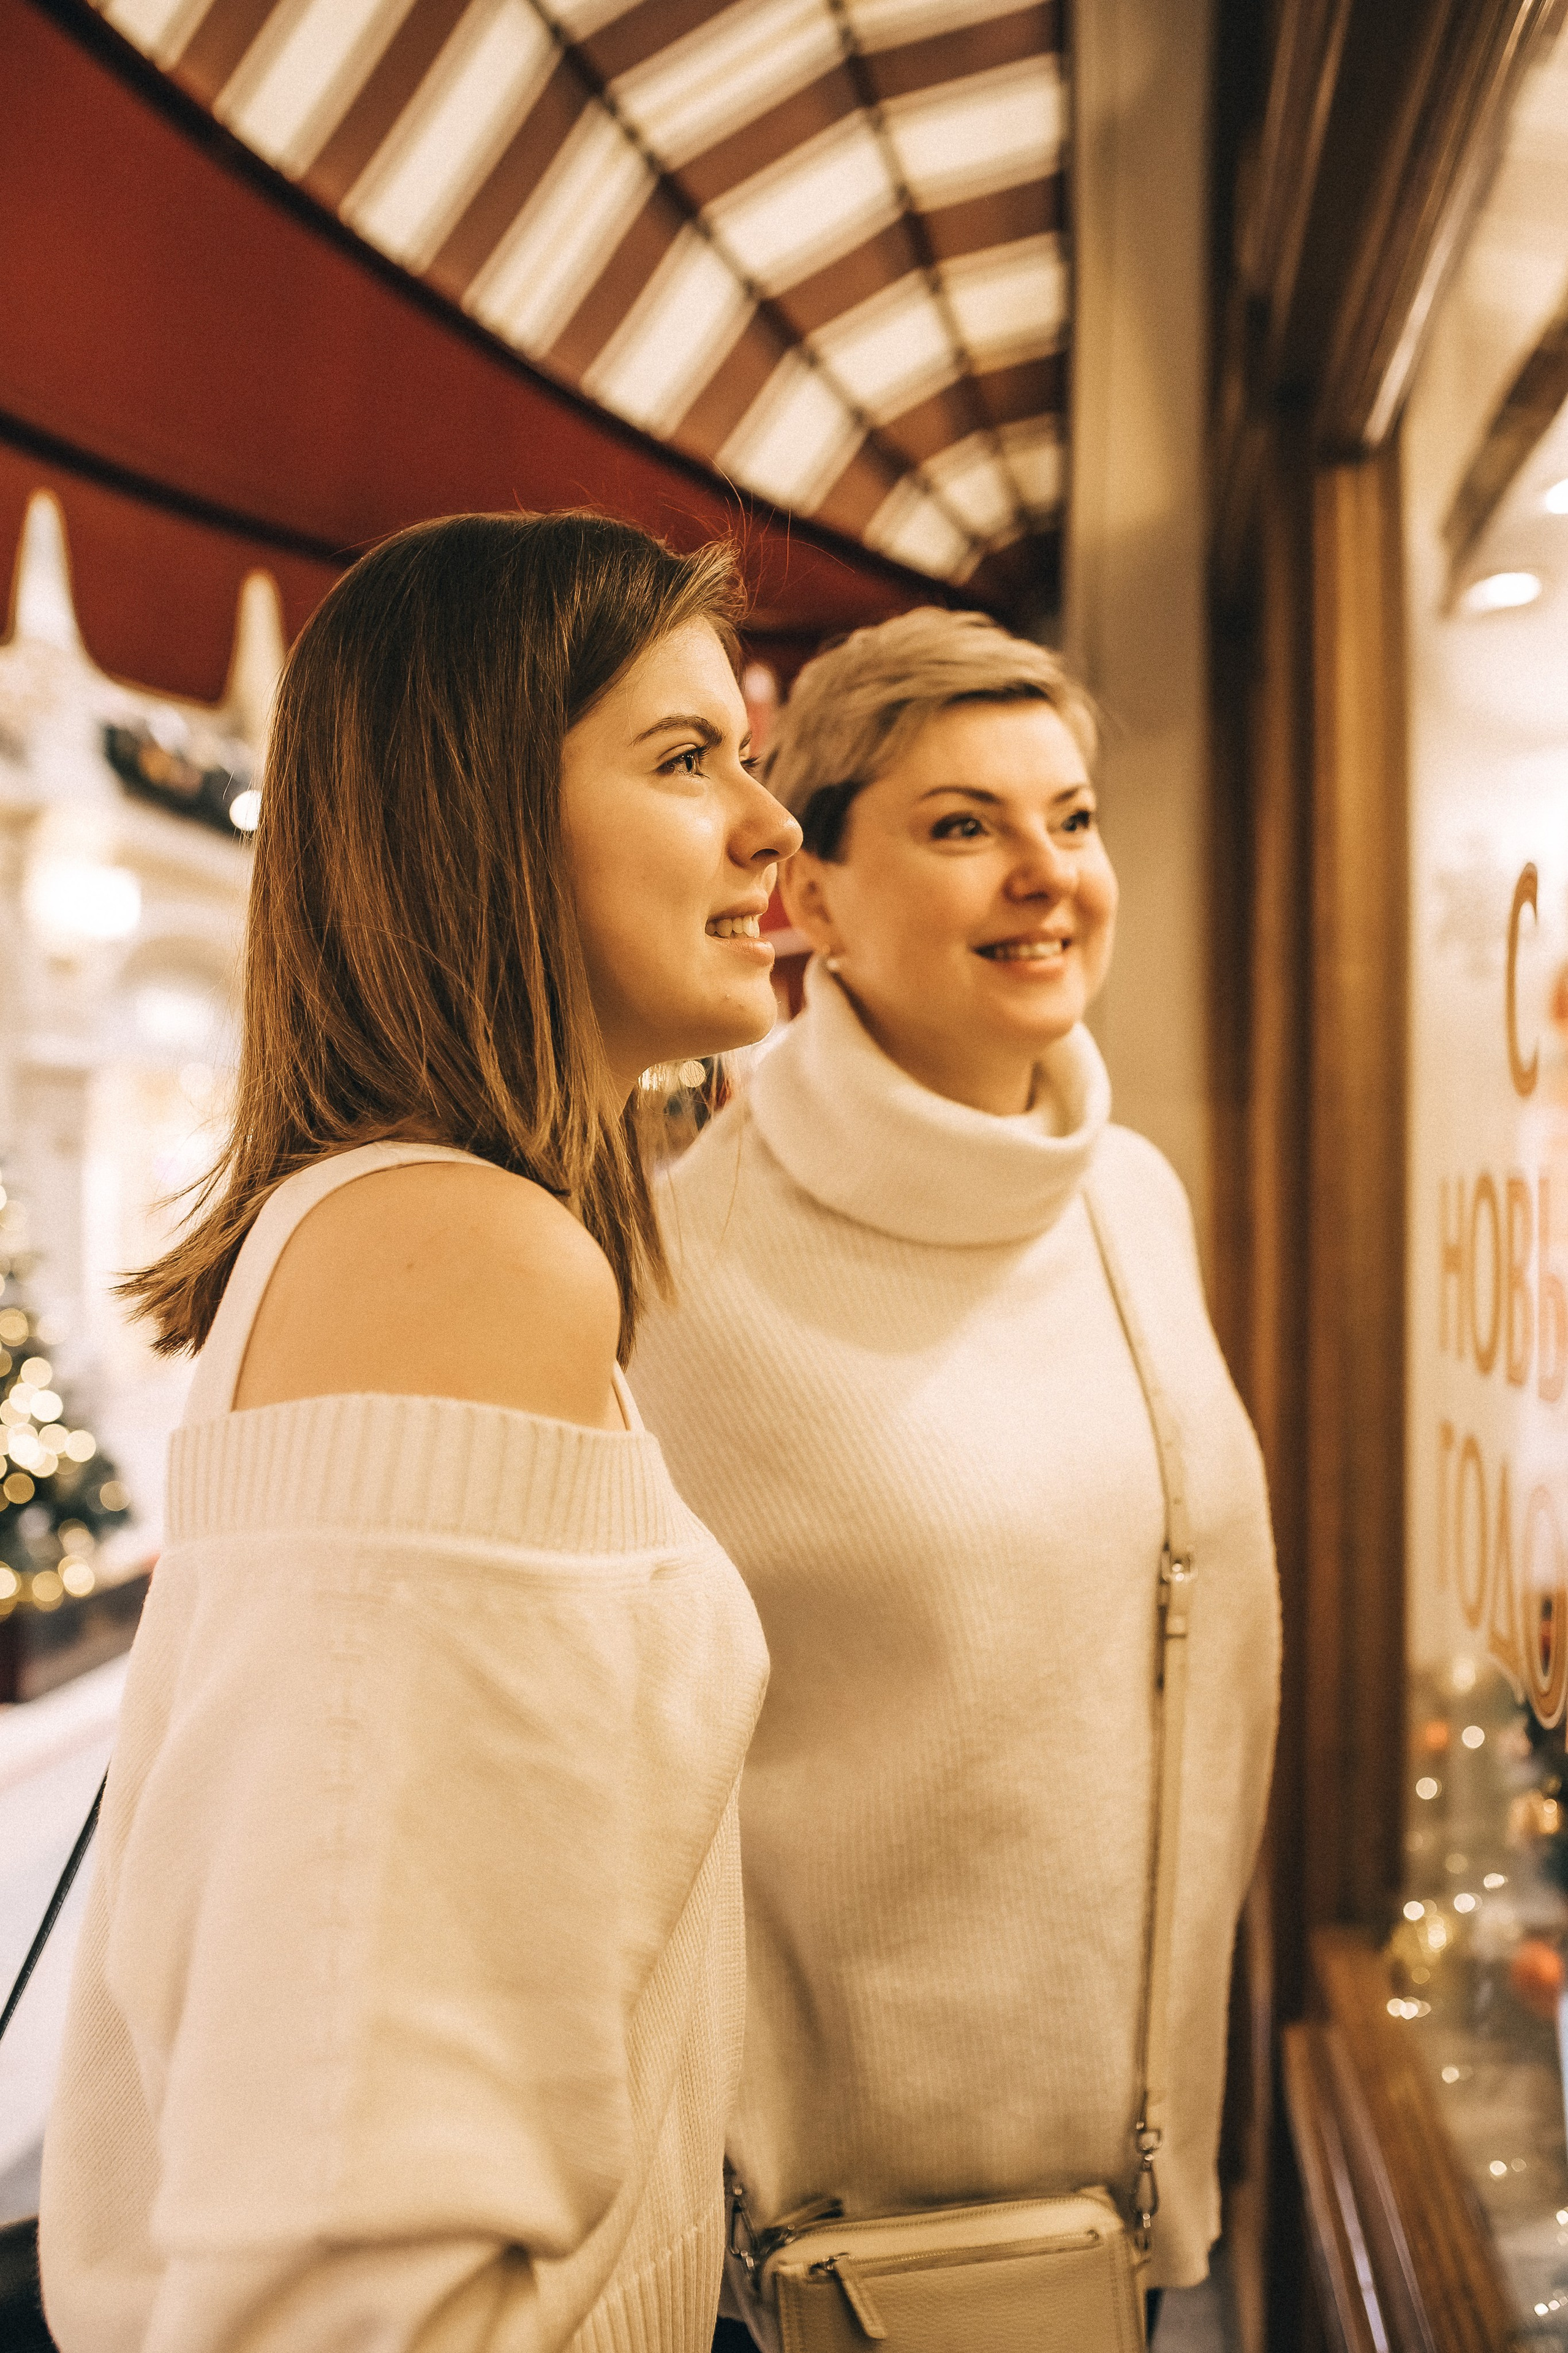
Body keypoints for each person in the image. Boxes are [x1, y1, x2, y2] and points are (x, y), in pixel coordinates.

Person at [39, 512, 801, 2353]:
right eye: (685, 758)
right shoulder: (459, 1252)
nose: (772, 829)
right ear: (478, 816)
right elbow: (345, 2221)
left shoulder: (427, 1232)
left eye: (749, 762)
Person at [631, 607, 1280, 2336]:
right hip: (851, 2249)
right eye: (961, 824)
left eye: (1069, 817)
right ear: (812, 895)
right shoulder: (687, 1266)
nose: (1044, 873)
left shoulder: (1132, 1196)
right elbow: (627, 1772)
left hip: (1130, 2198)